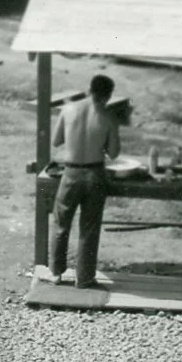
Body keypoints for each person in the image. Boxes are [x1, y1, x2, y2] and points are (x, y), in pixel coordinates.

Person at [42, 74, 121, 290]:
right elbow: (113, 153)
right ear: (108, 95)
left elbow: (57, 141)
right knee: (89, 227)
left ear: (89, 89)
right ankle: (84, 278)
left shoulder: (68, 109)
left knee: (61, 223)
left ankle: (56, 273)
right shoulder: (108, 116)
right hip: (95, 174)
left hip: (71, 173)